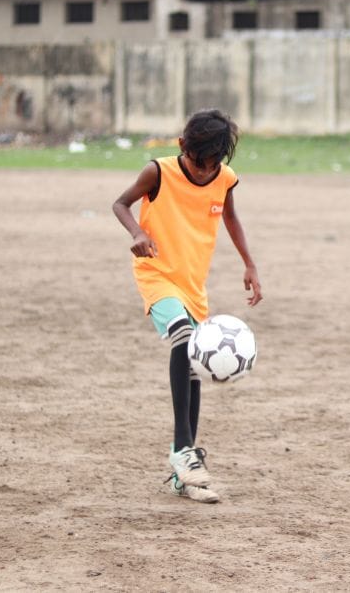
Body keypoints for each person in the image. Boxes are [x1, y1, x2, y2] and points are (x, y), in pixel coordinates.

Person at [113, 109, 262, 503]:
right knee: (183, 336)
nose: (203, 171)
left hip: (192, 285)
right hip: (156, 274)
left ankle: (185, 474)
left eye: (212, 164)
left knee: (195, 362)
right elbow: (120, 203)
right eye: (198, 163)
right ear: (183, 147)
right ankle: (183, 450)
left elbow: (231, 217)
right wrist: (137, 231)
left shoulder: (225, 180)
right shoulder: (158, 172)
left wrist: (249, 263)